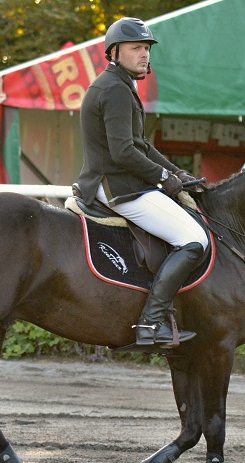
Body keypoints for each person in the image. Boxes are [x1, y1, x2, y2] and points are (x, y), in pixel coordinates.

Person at [77, 17, 207, 349]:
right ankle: (151, 323)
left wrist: (177, 174)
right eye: (136, 48)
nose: (144, 55)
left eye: (147, 48)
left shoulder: (121, 86)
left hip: (121, 181)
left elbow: (141, 146)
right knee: (194, 239)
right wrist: (164, 179)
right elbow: (122, 153)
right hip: (117, 187)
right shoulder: (115, 90)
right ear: (115, 51)